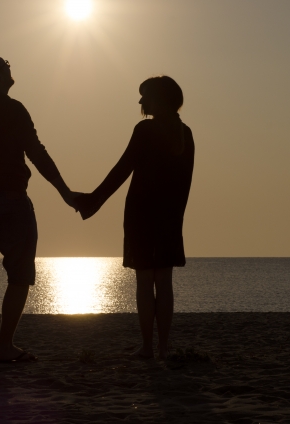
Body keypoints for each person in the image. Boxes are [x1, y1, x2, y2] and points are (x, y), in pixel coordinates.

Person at [0, 49, 79, 364]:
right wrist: (64, 191)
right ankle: (4, 347)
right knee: (20, 275)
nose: (10, 69)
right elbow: (35, 152)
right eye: (5, 66)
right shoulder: (12, 109)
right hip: (9, 198)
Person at [75, 76, 195, 360]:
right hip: (170, 216)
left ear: (159, 99)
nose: (140, 102)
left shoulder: (145, 130)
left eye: (145, 96)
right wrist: (176, 217)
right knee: (164, 281)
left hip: (142, 213)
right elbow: (185, 183)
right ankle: (163, 348)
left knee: (145, 281)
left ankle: (148, 348)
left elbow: (122, 170)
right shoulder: (185, 132)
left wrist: (93, 200)